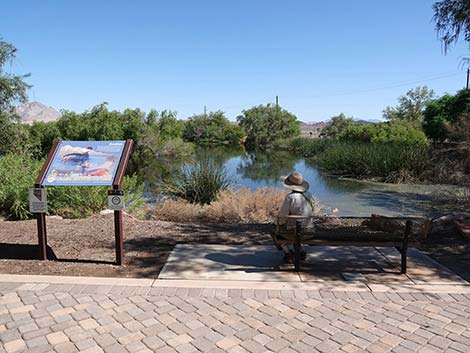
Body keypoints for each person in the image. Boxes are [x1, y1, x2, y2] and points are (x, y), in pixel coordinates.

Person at [277, 171, 317, 262]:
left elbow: (283, 215)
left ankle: (288, 253)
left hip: (295, 231)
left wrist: (280, 223)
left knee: (276, 231)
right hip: (310, 229)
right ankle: (301, 251)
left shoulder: (290, 197)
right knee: (297, 232)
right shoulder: (309, 195)